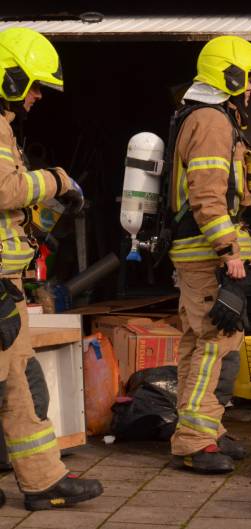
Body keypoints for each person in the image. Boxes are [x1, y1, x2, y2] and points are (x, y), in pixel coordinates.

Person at [0, 27, 103, 510]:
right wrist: (59, 180)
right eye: (35, 84)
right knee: (12, 382)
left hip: (7, 282)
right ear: (11, 77)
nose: (38, 95)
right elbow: (5, 190)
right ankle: (42, 481)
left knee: (18, 381)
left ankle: (42, 481)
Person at [167, 35, 251, 473]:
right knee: (214, 343)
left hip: (200, 250)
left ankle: (206, 427)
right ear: (228, 76)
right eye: (248, 79)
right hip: (206, 251)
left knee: (203, 342)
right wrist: (228, 250)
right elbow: (207, 195)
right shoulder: (211, 121)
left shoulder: (210, 117)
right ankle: (194, 439)